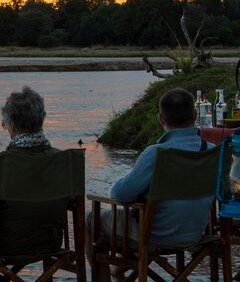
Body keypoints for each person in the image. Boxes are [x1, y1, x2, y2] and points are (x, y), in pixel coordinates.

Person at [87, 87, 214, 263]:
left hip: (155, 236)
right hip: (195, 234)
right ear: (195, 115)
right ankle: (123, 275)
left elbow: (120, 195)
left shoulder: (155, 154)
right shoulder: (211, 152)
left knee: (92, 219)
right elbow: (222, 194)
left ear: (161, 118)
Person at [0, 86, 68, 255]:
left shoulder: (1, 164)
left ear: (12, 125)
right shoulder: (63, 159)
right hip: (49, 244)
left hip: (2, 246)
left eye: (5, 123)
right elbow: (70, 201)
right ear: (41, 120)